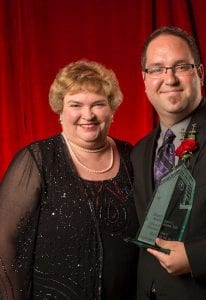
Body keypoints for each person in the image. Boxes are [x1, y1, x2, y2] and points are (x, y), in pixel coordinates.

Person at [131, 26, 206, 299]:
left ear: (199, 73)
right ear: (145, 79)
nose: (169, 78)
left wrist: (196, 257)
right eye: (157, 69)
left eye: (180, 66)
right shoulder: (139, 153)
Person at [0, 59, 139, 299]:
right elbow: (4, 242)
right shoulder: (38, 160)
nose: (88, 115)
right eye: (76, 104)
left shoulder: (132, 157)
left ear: (112, 109)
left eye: (98, 104)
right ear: (60, 111)